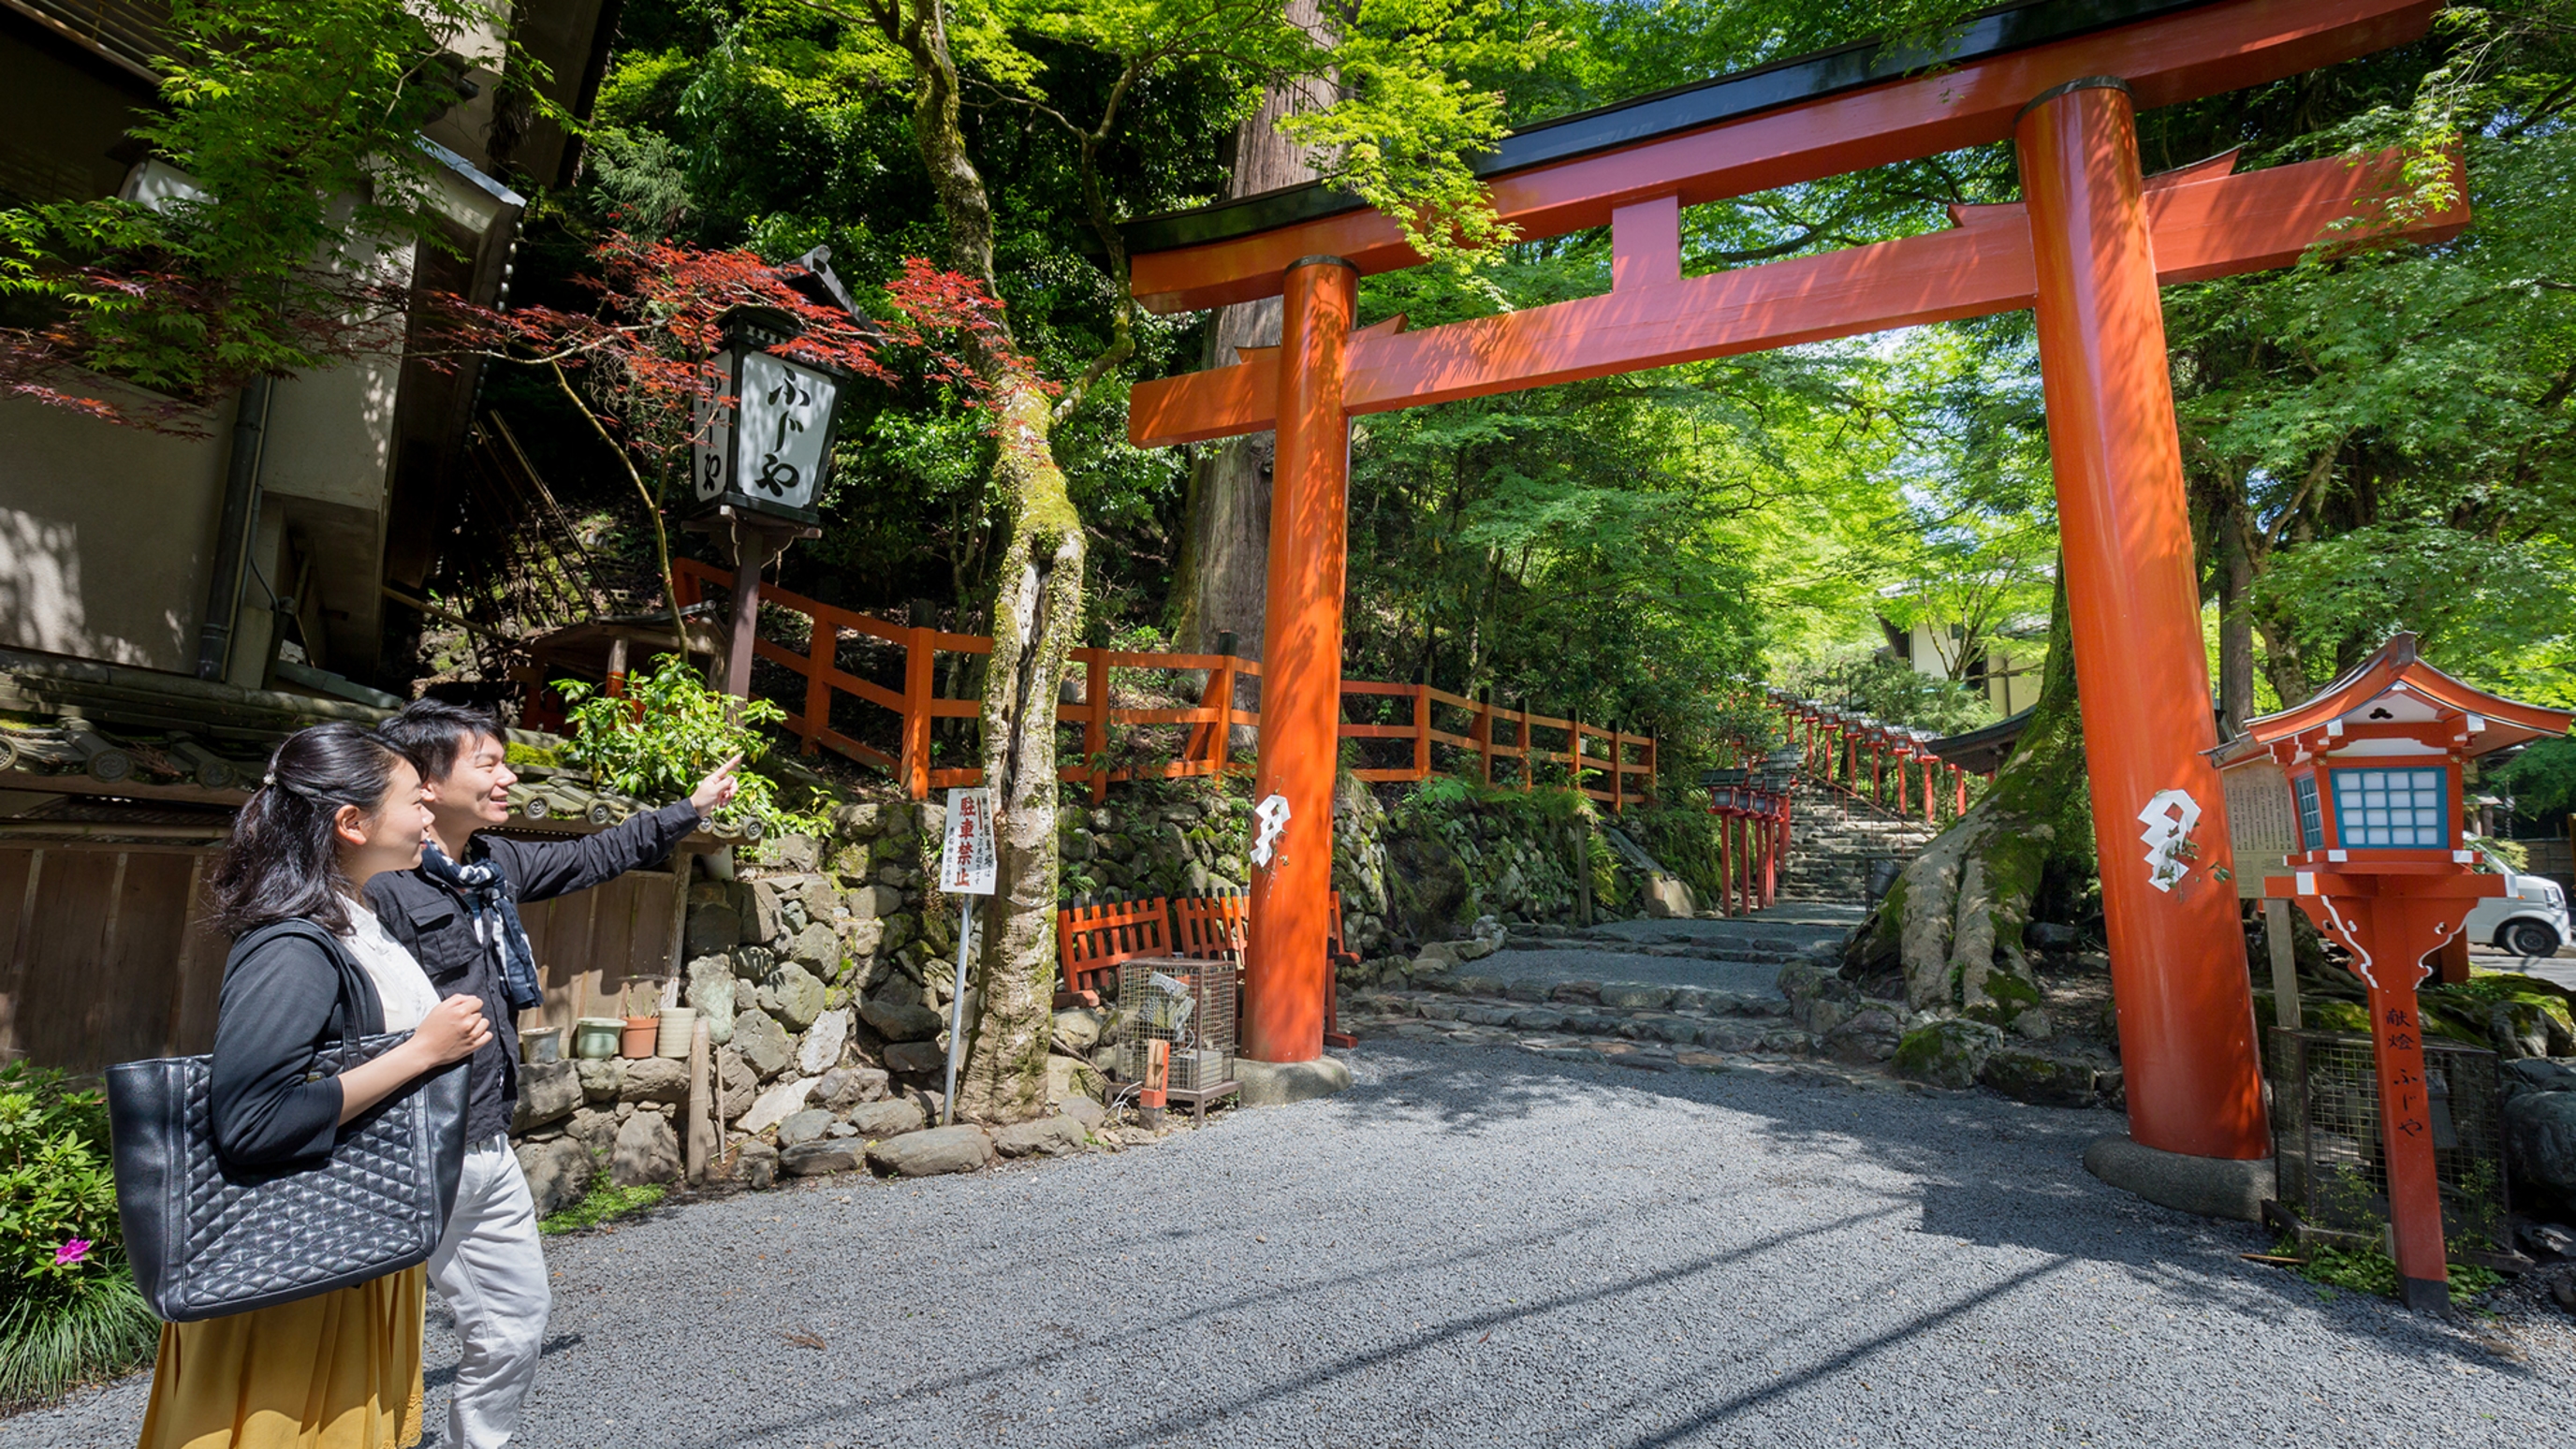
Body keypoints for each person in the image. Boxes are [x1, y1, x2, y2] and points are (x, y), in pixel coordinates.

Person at [369, 699, 738, 1449]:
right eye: (490, 762)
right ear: (427, 783)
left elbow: (591, 856)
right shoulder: (380, 889)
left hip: (483, 1135)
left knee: (516, 1320)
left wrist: (689, 808)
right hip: (402, 1142)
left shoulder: (491, 865)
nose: (509, 777)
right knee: (366, 1337)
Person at [139, 723, 493, 1449]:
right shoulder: (292, 943)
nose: (430, 813)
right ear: (350, 823)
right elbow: (252, 1119)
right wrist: (422, 1053)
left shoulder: (359, 914)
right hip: (293, 1262)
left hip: (348, 1242)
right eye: (412, 800)